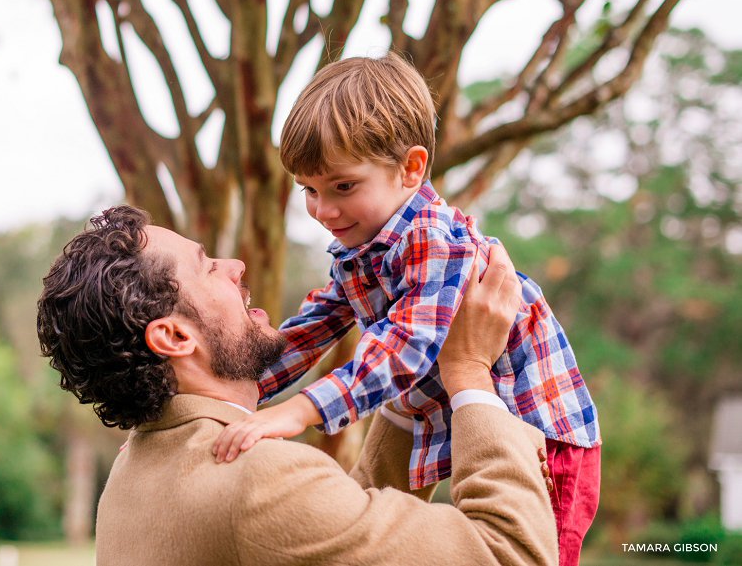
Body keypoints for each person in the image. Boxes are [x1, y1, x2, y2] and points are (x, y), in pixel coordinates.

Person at [213, 52, 601, 566]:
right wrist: (227, 403)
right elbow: (310, 329)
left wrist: (298, 412)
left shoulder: (433, 240)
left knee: (537, 554)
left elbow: (405, 349)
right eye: (309, 190)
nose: (323, 211)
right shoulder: (366, 246)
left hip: (542, 436)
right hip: (452, 417)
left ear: (411, 168)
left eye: (342, 187)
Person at [37, 205, 557, 566]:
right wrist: (468, 373)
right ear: (174, 335)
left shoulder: (136, 471)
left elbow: (335, 536)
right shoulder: (257, 482)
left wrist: (410, 393)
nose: (236, 265)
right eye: (207, 266)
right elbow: (510, 555)